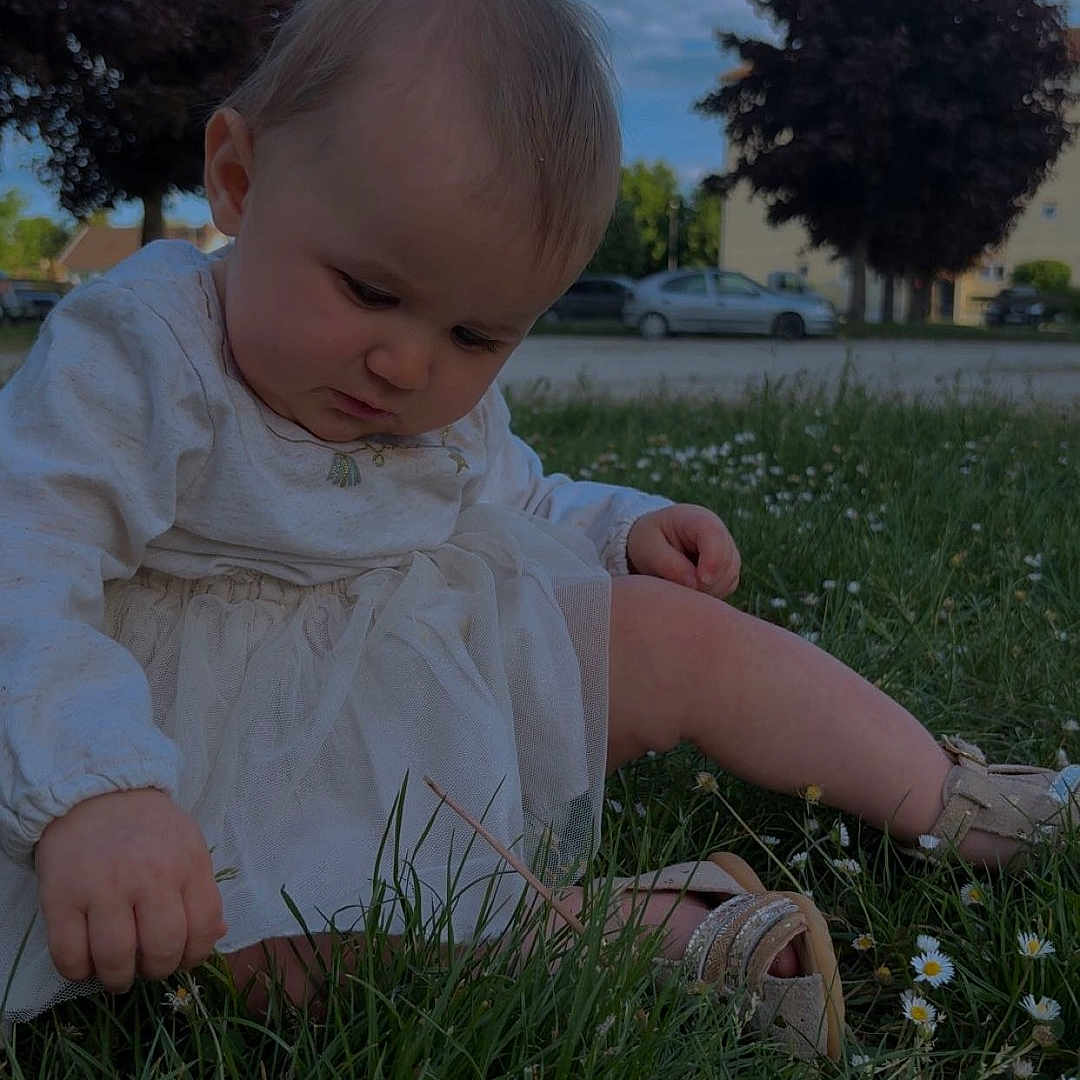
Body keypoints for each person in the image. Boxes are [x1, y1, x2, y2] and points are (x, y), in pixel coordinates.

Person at [1, 0, 1076, 1060]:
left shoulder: (435, 398)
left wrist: (624, 527)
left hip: (414, 680)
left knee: (673, 635)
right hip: (194, 755)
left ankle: (955, 798)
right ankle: (614, 931)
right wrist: (96, 792)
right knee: (263, 940)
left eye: (476, 333)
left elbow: (506, 494)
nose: (410, 366)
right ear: (239, 180)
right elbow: (26, 551)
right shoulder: (146, 348)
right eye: (368, 290)